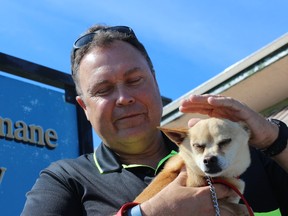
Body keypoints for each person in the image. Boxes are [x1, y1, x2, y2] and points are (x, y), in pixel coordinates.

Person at [21, 24, 288, 216]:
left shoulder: (239, 151)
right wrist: (148, 214)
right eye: (103, 90)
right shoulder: (66, 179)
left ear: (155, 81)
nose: (124, 98)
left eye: (135, 80)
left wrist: (273, 138)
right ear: (84, 107)